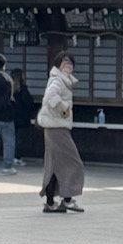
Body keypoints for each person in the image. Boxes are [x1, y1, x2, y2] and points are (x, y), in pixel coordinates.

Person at [38, 51, 85, 213]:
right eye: (65, 63)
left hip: (54, 128)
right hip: (57, 128)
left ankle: (51, 201)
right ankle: (67, 198)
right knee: (73, 162)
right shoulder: (58, 80)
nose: (68, 67)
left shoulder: (61, 80)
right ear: (59, 64)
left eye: (71, 64)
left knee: (54, 164)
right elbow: (50, 96)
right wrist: (63, 108)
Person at [11, 67, 36, 166]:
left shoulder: (9, 89)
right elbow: (28, 102)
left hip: (11, 117)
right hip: (22, 117)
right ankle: (17, 157)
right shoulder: (23, 89)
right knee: (19, 139)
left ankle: (10, 157)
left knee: (10, 139)